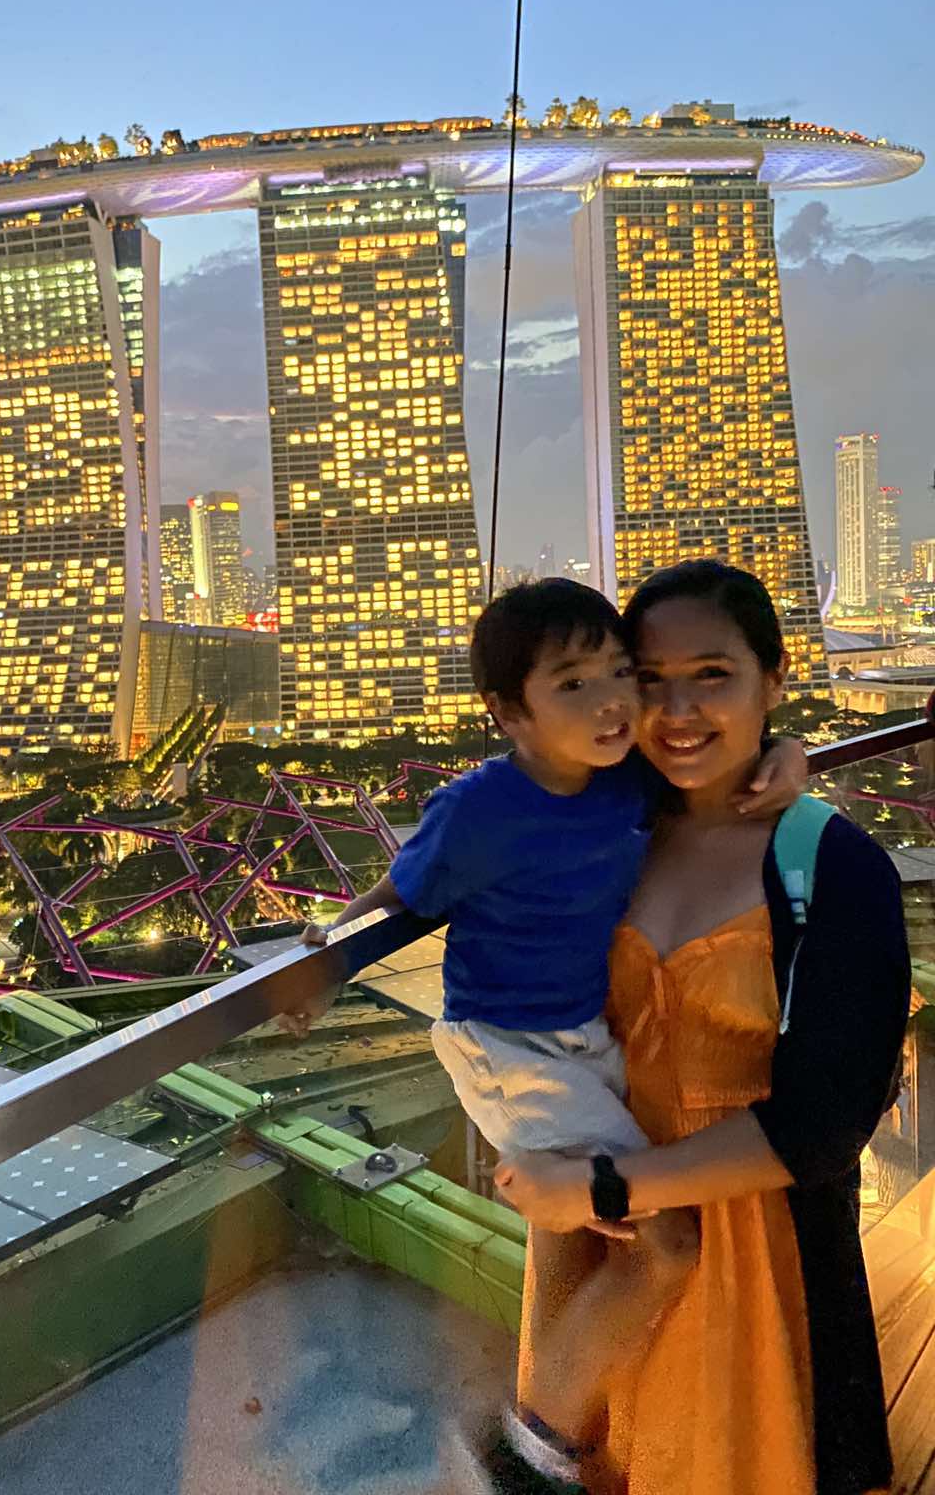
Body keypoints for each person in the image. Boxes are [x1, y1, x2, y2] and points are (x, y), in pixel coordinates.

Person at [283, 578, 807, 1491]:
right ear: (508, 712)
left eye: (617, 673)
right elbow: (400, 899)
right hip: (512, 1050)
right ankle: (530, 1447)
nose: (613, 700)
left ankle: (554, 1426)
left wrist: (791, 751)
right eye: (574, 682)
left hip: (583, 1040)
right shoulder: (479, 810)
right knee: (667, 1244)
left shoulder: (625, 779)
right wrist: (322, 958)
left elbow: (729, 756)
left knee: (588, 1236)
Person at [495, 561, 911, 1495]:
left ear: (775, 678)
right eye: (648, 679)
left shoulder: (836, 870)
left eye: (713, 675)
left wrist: (601, 1186)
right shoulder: (609, 830)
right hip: (609, 1241)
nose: (676, 710)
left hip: (753, 1258)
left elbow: (824, 1122)